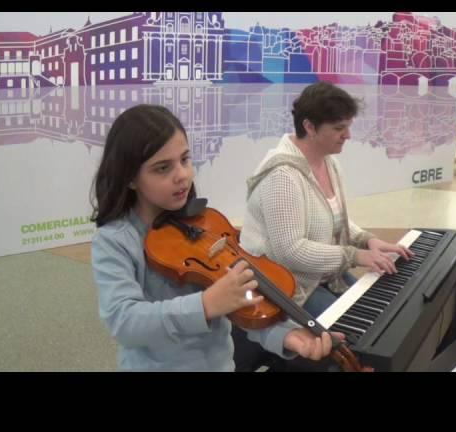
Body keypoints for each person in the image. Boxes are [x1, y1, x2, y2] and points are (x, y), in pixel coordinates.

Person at [90, 104, 339, 371]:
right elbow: (123, 322)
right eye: (162, 168)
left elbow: (243, 305)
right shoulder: (114, 241)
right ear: (130, 179)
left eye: (185, 160)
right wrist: (205, 304)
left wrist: (285, 334)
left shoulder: (202, 224)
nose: (182, 175)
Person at [240, 82, 413, 319]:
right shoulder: (281, 176)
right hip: (287, 285)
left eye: (348, 126)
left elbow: (334, 219)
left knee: (379, 316)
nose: (348, 135)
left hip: (321, 275)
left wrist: (366, 240)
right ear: (309, 127)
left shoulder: (328, 162)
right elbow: (289, 252)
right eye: (339, 128)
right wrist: (354, 256)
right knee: (358, 330)